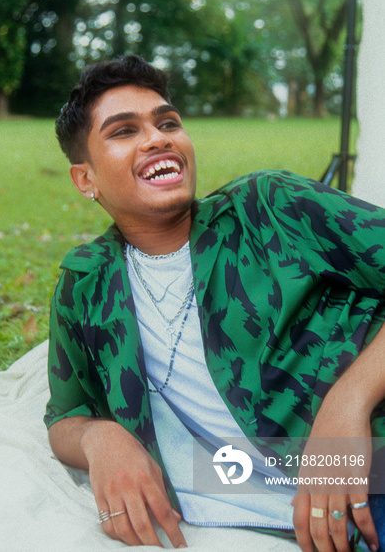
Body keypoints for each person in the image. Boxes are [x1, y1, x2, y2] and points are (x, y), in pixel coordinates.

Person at [44, 54, 385, 552]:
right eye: (123, 131)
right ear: (86, 179)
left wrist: (349, 400)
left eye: (168, 122)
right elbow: (64, 418)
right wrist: (101, 440)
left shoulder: (269, 207)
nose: (158, 138)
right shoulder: (86, 286)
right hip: (273, 518)